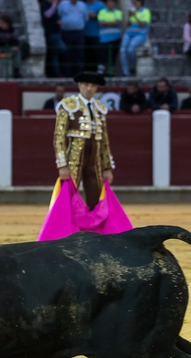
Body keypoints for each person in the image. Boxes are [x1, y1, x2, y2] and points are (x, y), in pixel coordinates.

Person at [37, 71, 131, 240]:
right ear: (79, 86)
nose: (90, 88)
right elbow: (59, 137)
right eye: (86, 85)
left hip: (94, 161)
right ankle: (63, 234)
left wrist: (107, 167)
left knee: (96, 197)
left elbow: (104, 141)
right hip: (73, 159)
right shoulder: (68, 105)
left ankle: (96, 236)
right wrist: (62, 165)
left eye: (93, 86)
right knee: (67, 198)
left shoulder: (99, 109)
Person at [57, 0, 87, 76]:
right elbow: (59, 15)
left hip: (78, 33)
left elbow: (85, 18)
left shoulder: (82, 5)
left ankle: (79, 74)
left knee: (79, 54)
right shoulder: (63, 4)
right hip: (66, 33)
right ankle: (67, 74)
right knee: (67, 54)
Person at [120, 0, 151, 77]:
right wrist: (129, 17)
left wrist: (135, 16)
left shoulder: (146, 11)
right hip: (129, 32)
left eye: (136, 2)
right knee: (123, 50)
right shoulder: (132, 10)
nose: (134, 4)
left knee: (130, 49)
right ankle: (125, 72)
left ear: (140, 2)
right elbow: (127, 25)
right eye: (133, 3)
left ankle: (132, 68)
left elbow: (144, 24)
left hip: (140, 34)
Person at [0, 14, 21, 79]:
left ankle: (16, 72)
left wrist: (15, 46)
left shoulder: (13, 31)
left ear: (8, 23)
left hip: (9, 47)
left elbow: (16, 40)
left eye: (3, 23)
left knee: (17, 52)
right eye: (0, 23)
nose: (1, 25)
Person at [41, 0, 66, 77]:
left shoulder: (56, 6)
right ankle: (56, 72)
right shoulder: (46, 4)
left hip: (58, 33)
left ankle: (57, 73)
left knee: (54, 55)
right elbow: (47, 15)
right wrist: (54, 5)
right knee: (63, 49)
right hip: (51, 34)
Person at [97, 0, 123, 75]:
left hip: (115, 37)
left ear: (115, 3)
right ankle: (100, 70)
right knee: (103, 54)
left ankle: (110, 70)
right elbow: (101, 23)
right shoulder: (102, 12)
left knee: (113, 54)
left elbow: (118, 22)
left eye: (112, 2)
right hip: (104, 38)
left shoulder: (118, 12)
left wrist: (106, 23)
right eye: (109, 2)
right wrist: (113, 22)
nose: (110, 4)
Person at [83, 0, 107, 72]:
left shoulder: (101, 5)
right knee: (87, 54)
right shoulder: (84, 5)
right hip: (85, 34)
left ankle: (97, 71)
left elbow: (106, 18)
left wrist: (96, 16)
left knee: (96, 53)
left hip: (96, 34)